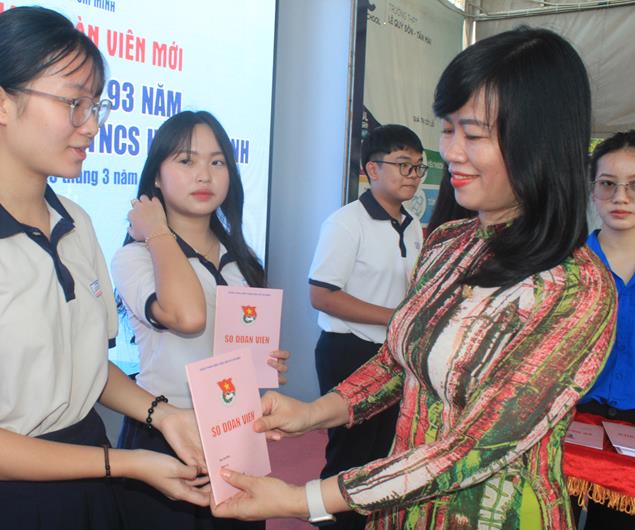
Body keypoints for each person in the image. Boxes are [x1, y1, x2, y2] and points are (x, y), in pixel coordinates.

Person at [209, 27, 617, 530]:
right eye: (447, 130)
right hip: (401, 512)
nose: (452, 152)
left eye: (473, 134)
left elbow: (474, 447)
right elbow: (399, 361)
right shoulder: (447, 243)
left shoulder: (575, 287)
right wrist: (313, 413)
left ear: (538, 141)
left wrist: (302, 499)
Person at [0, 8, 209, 530]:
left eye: (96, 105)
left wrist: (164, 414)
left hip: (86, 480)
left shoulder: (75, 222)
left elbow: (86, 368)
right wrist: (126, 463)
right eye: (73, 103)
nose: (92, 126)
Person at [110, 110, 288, 530]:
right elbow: (186, 318)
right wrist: (157, 230)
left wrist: (266, 364)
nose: (204, 175)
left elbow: (237, 349)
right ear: (156, 177)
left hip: (234, 429)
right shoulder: (135, 256)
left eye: (217, 161)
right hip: (165, 431)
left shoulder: (243, 261)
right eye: (186, 161)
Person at [308, 124, 425, 530]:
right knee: (349, 455)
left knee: (382, 452)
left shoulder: (413, 225)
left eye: (418, 166)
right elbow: (322, 295)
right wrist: (393, 316)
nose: (413, 175)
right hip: (349, 350)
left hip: (393, 354)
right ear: (372, 169)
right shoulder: (345, 223)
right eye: (403, 164)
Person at [573, 130, 635, 528]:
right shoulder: (565, 268)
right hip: (566, 426)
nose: (620, 197)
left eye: (634, 185)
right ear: (592, 190)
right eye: (608, 184)